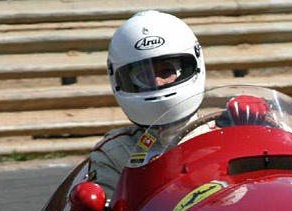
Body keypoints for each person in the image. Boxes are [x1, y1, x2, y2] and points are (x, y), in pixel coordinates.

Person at [86, 10, 206, 196]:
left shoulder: (224, 131)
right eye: (144, 76)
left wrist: (260, 123)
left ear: (191, 68)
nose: (157, 82)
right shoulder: (115, 152)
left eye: (166, 71)